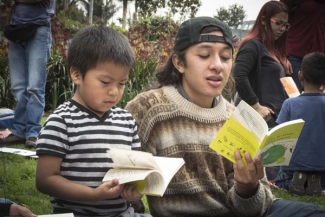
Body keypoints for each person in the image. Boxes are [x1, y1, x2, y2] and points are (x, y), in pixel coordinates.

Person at [125, 16, 325, 217]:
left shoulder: (238, 119)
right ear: (179, 62)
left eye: (226, 57)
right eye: (204, 55)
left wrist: (247, 187)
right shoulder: (148, 109)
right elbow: (125, 189)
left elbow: (258, 208)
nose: (218, 65)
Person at [35, 26, 151, 217]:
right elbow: (45, 180)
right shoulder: (62, 121)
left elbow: (133, 170)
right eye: (105, 82)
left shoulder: (126, 120)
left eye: (122, 83)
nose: (114, 91)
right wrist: (92, 195)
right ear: (77, 75)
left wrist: (134, 189)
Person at [0, 0, 55, 148]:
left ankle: (33, 133)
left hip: (39, 29)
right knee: (18, 86)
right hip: (16, 30)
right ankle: (19, 131)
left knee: (35, 87)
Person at [233, 1, 291, 128]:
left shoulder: (273, 50)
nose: (282, 29)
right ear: (264, 20)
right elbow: (238, 75)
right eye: (278, 23)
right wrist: (256, 105)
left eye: (285, 25)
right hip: (258, 119)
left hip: (274, 117)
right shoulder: (252, 45)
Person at [274, 52, 325, 196]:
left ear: (300, 76)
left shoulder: (289, 104)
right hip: (322, 166)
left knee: (278, 175)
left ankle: (297, 178)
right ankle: (315, 178)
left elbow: (280, 135)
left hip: (293, 166)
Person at [280, 0, 325, 92]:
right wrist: (282, 54)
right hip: (294, 53)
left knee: (317, 99)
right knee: (293, 94)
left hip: (319, 56)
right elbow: (279, 17)